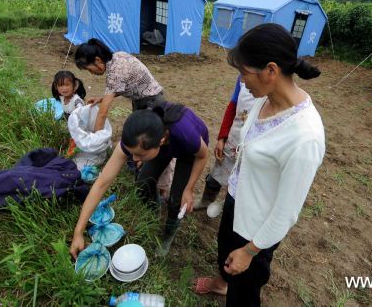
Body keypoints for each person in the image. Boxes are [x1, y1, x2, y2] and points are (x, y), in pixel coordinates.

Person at [193, 23, 325, 306]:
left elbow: (286, 212)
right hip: (237, 199)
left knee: (245, 288)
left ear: (271, 71)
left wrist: (250, 251)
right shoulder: (262, 102)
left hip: (257, 229)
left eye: (244, 73)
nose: (242, 82)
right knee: (224, 253)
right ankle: (221, 283)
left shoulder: (305, 137)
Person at [69, 103, 209, 259]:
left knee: (177, 199)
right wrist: (78, 232)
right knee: (143, 182)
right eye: (131, 153)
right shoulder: (136, 137)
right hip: (160, 145)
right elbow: (101, 183)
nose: (134, 159)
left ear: (161, 142)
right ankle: (155, 209)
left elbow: (203, 156)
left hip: (190, 152)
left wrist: (189, 189)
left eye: (139, 155)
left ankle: (168, 234)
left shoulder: (185, 134)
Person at [194, 76, 254, 216]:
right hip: (233, 138)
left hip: (251, 145)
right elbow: (232, 107)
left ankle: (230, 209)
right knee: (217, 173)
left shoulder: (270, 92)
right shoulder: (242, 78)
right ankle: (206, 201)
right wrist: (222, 138)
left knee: (240, 183)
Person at [74, 38, 165, 131]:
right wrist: (101, 99)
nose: (91, 73)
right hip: (143, 99)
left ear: (97, 60)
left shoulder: (115, 74)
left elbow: (102, 113)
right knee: (138, 131)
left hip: (151, 102)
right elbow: (122, 86)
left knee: (146, 134)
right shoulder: (118, 56)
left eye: (89, 69)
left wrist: (95, 137)